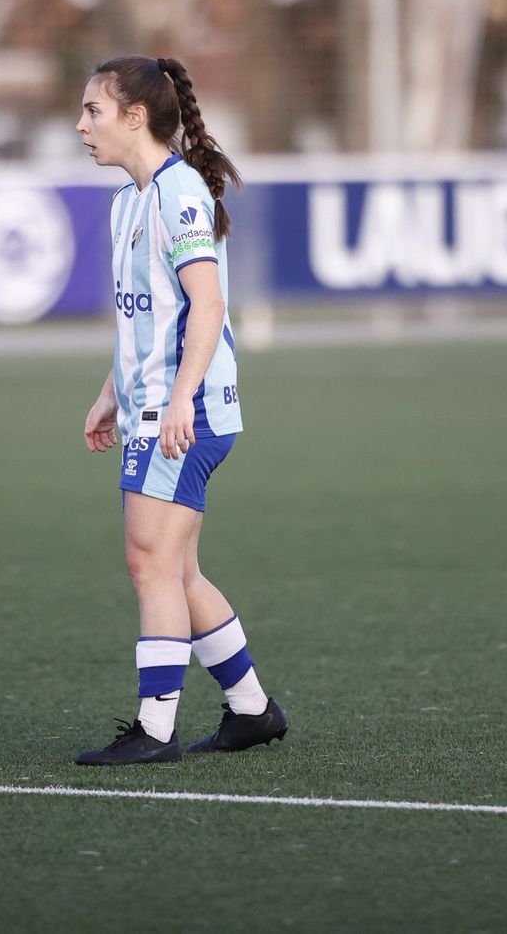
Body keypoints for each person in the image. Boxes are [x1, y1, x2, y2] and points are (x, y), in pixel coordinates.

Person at [73, 55, 287, 765]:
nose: (82, 126)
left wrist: (178, 401)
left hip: (183, 414)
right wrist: (112, 390)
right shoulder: (126, 201)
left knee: (148, 560)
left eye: (93, 112)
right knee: (177, 568)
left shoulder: (178, 192)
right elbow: (146, 316)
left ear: (136, 117)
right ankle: (252, 709)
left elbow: (209, 305)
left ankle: (154, 730)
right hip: (155, 409)